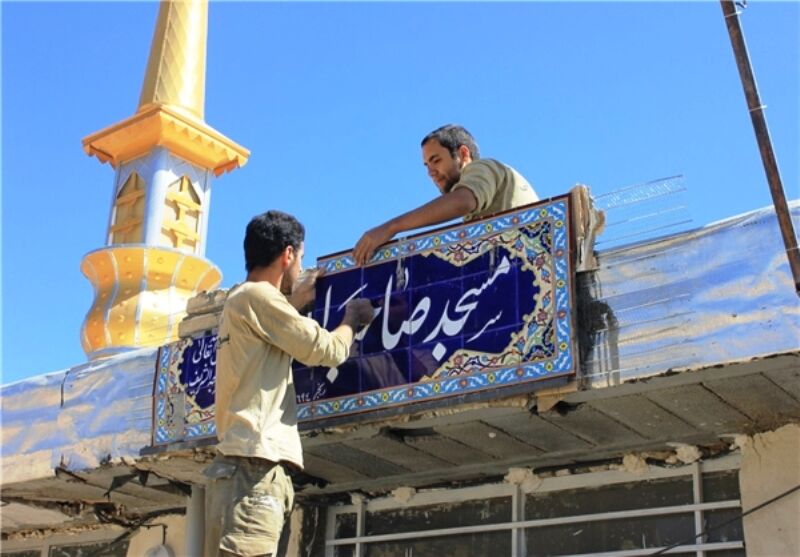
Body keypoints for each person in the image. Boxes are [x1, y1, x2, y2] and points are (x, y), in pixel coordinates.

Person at [204, 210, 373, 557]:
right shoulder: (257, 297)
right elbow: (325, 349)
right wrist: (352, 321)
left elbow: (271, 333)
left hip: (241, 469)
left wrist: (294, 303)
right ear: (288, 254)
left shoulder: (243, 301)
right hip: (254, 468)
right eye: (301, 257)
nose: (300, 267)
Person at [353, 124, 538, 265]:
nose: (431, 172)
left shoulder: (482, 167)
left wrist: (391, 228)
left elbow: (462, 202)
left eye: (436, 160)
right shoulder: (483, 205)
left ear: (463, 154)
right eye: (427, 165)